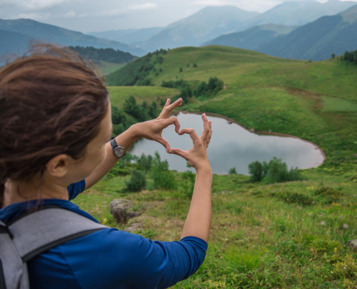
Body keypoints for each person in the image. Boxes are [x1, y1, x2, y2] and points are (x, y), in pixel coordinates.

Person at [0, 45, 213, 289]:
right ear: (59, 164)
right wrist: (203, 169)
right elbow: (190, 252)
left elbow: (71, 183)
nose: (107, 145)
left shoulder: (19, 188)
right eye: (103, 140)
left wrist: (133, 133)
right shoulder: (106, 253)